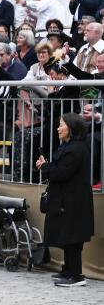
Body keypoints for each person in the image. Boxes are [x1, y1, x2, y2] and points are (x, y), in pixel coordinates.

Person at [35, 114, 92, 287]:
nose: (58, 128)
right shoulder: (69, 146)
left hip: (73, 201)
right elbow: (58, 168)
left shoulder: (76, 149)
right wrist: (46, 165)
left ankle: (76, 276)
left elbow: (61, 173)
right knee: (67, 235)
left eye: (61, 125)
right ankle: (68, 270)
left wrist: (45, 167)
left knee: (73, 237)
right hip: (68, 199)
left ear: (72, 128)